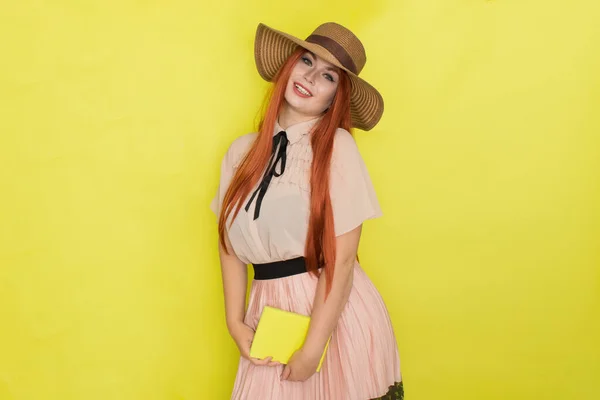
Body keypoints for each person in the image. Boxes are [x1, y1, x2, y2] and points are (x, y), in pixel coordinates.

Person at [210, 22, 404, 400]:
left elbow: (344, 260)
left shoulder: (338, 148)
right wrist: (234, 321)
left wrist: (313, 348)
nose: (311, 77)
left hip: (331, 319)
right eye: (306, 61)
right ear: (288, 67)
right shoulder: (240, 152)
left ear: (335, 98)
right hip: (268, 316)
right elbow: (228, 244)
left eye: (328, 75)